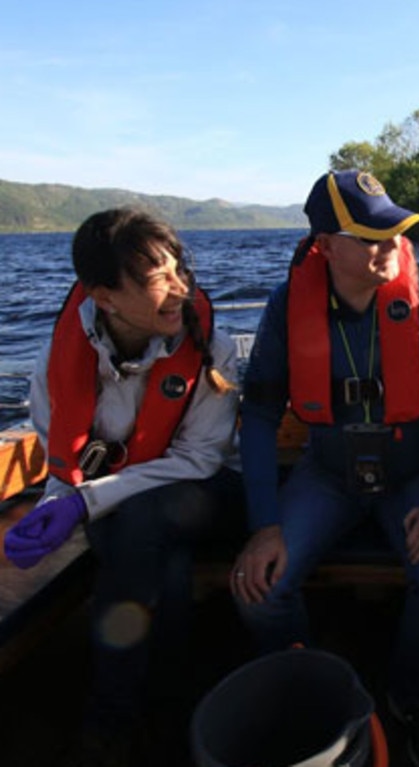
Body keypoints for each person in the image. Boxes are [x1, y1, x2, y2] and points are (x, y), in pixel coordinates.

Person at [230, 169, 419, 765]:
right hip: (326, 476)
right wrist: (265, 522)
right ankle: (314, 695)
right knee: (258, 590)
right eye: (370, 237)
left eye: (393, 232)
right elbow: (262, 415)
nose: (389, 247)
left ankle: (405, 698)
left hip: (416, 472)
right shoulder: (286, 304)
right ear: (325, 246)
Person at [3, 208, 245, 764]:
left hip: (208, 494)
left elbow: (199, 460)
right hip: (125, 516)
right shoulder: (57, 361)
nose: (180, 287)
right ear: (105, 297)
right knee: (167, 567)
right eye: (158, 278)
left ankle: (109, 722)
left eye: (179, 268)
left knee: (141, 524)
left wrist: (84, 502)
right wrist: (56, 503)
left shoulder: (213, 348)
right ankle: (167, 714)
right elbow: (65, 460)